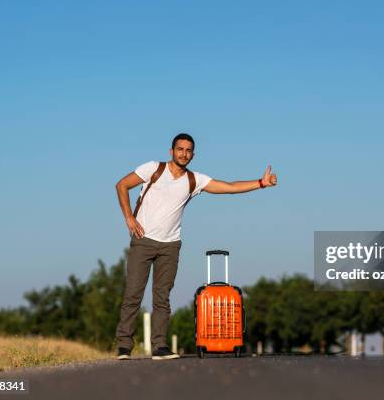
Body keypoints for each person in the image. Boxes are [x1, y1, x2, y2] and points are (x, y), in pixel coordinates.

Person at [114, 133, 277, 360]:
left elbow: (228, 187)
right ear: (171, 151)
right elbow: (122, 185)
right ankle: (124, 346)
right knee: (133, 294)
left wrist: (261, 183)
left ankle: (159, 346)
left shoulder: (194, 180)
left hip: (171, 245)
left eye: (188, 150)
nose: (184, 154)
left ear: (193, 154)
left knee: (162, 297)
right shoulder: (153, 169)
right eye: (180, 149)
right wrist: (129, 218)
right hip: (143, 241)